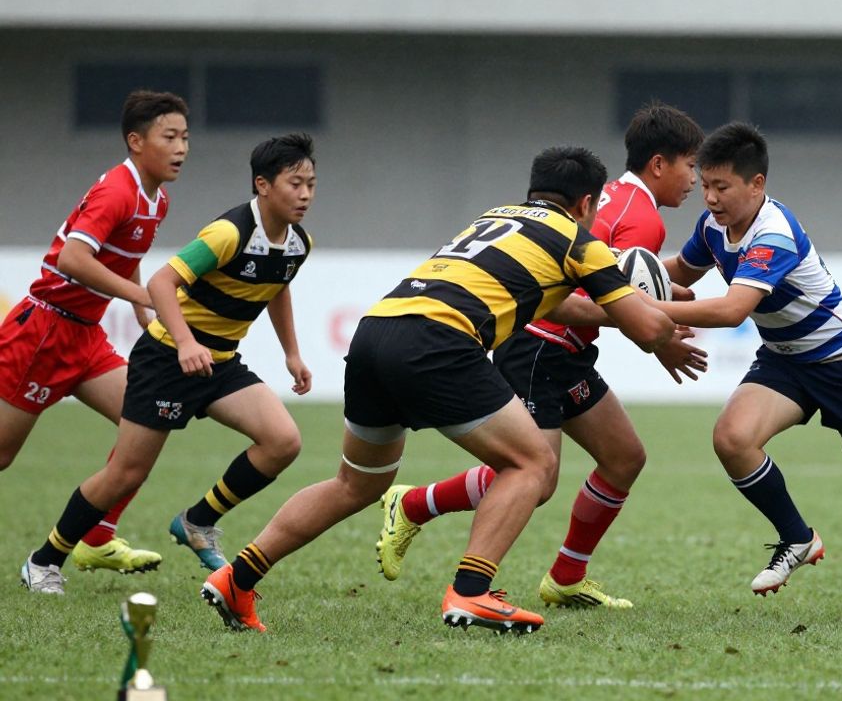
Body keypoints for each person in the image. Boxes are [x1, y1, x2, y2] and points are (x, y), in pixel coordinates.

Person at [203, 146, 675, 634]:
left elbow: (557, 306)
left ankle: (237, 578)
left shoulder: (495, 217)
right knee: (533, 463)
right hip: (439, 342)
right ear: (587, 204)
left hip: (375, 332)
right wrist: (668, 322)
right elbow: (646, 328)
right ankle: (471, 593)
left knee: (356, 483)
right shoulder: (578, 240)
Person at [605, 122, 842, 616]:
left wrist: (639, 310)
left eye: (723, 187)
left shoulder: (773, 234)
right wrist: (614, 272)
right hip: (785, 359)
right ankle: (797, 538)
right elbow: (678, 273)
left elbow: (731, 310)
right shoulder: (713, 226)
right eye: (707, 184)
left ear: (756, 184)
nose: (710, 197)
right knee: (731, 439)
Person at [373, 103, 708, 611]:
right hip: (537, 347)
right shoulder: (641, 221)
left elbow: (618, 282)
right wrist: (656, 336)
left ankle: (567, 577)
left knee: (624, 458)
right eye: (690, 165)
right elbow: (596, 296)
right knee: (537, 477)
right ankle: (415, 505)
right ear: (659, 165)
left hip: (564, 352)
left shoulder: (615, 201)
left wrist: (661, 313)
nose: (694, 179)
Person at [20, 134, 317, 595]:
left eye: (311, 184)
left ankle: (197, 521)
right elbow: (161, 282)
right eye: (294, 183)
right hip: (166, 359)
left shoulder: (298, 242)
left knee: (282, 440)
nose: (304, 195)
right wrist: (183, 343)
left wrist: (291, 353)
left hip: (218, 363)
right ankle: (44, 560)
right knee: (127, 473)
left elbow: (278, 287)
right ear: (262, 185)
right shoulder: (228, 233)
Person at [1, 90, 189, 577]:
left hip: (86, 337)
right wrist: (143, 294)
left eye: (185, 137)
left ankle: (97, 538)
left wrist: (135, 301)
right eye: (169, 136)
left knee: (148, 421)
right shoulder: (116, 190)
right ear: (135, 141)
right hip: (43, 330)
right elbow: (71, 259)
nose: (181, 147)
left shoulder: (157, 199)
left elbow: (123, 257)